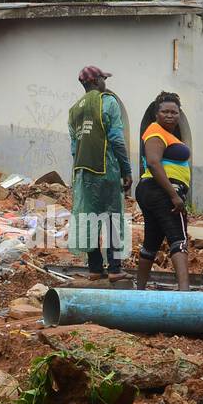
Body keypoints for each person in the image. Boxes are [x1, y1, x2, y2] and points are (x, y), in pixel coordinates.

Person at [68, 66, 133, 281]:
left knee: (89, 218)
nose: (106, 82)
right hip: (106, 168)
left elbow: (74, 147)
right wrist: (126, 170)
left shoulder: (74, 110)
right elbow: (116, 138)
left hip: (84, 172)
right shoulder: (108, 102)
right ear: (96, 82)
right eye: (103, 78)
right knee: (112, 217)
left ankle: (95, 268)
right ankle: (115, 269)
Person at [136, 92, 191, 291]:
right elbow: (152, 162)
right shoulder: (155, 130)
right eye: (165, 111)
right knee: (178, 238)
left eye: (174, 112)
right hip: (161, 190)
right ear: (156, 114)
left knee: (152, 241)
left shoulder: (168, 134)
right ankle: (185, 293)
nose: (170, 115)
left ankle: (139, 291)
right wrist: (174, 195)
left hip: (152, 191)